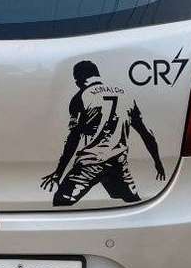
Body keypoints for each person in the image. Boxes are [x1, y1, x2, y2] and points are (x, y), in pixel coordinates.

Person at [41, 60, 166, 207]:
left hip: (91, 162)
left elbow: (73, 138)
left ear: (79, 79)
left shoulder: (81, 97)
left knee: (61, 201)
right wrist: (158, 162)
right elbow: (145, 133)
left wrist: (58, 172)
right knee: (133, 205)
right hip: (119, 163)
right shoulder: (126, 95)